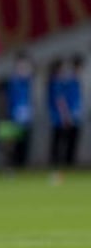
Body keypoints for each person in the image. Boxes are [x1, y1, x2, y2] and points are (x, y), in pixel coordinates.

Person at [48, 55, 83, 184]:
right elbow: (61, 101)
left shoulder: (75, 82)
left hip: (74, 117)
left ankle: (68, 166)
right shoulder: (60, 83)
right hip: (61, 119)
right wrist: (65, 117)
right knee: (59, 142)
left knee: (70, 143)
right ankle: (57, 166)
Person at [4, 51, 35, 168]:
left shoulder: (27, 81)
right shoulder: (14, 81)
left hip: (27, 115)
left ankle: (23, 164)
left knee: (26, 141)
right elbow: (11, 99)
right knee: (14, 142)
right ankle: (14, 165)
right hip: (15, 115)